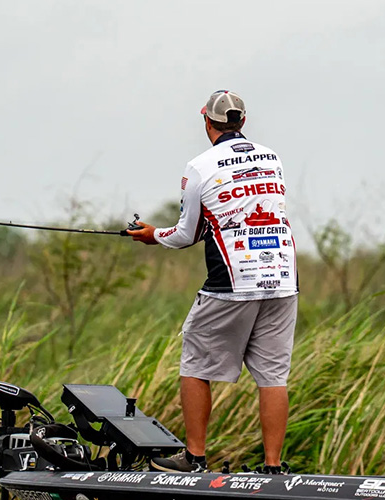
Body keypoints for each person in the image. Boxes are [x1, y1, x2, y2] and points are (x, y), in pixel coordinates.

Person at [127, 90, 298, 474]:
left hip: (233, 279)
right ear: (243, 121)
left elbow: (186, 234)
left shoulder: (199, 167)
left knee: (195, 363)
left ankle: (195, 458)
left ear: (207, 122)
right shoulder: (272, 158)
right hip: (283, 277)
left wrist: (151, 234)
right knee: (273, 375)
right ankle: (273, 466)